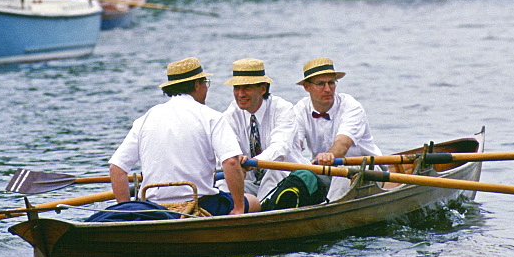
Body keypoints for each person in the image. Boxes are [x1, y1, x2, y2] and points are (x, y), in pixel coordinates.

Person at [109, 57, 258, 215]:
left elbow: (116, 169)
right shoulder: (211, 116)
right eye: (205, 83)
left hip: (151, 207)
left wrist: (126, 210)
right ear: (196, 85)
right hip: (200, 204)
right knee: (253, 201)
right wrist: (238, 208)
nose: (206, 89)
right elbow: (231, 163)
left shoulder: (145, 118)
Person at [293, 57, 382, 200]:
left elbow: (342, 144)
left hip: (367, 169)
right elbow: (295, 145)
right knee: (300, 175)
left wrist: (330, 155)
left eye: (331, 83)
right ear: (306, 87)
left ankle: (328, 214)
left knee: (342, 171)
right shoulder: (299, 110)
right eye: (320, 84)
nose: (328, 89)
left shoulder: (351, 106)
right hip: (326, 171)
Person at [221, 58, 308, 201]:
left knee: (274, 171)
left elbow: (280, 148)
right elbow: (225, 152)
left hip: (288, 179)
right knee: (223, 182)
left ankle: (259, 213)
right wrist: (236, 162)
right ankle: (230, 213)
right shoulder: (230, 115)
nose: (240, 94)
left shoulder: (283, 109)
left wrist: (252, 162)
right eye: (237, 88)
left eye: (247, 87)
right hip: (253, 183)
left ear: (263, 89)